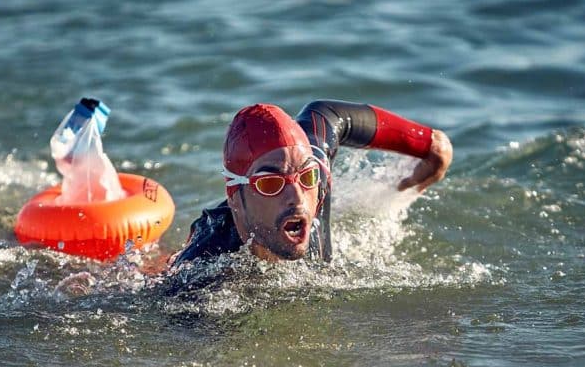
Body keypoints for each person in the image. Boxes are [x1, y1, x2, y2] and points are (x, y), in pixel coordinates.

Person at [171, 100, 452, 265]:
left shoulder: (316, 167)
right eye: (271, 183)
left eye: (306, 177)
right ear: (234, 195)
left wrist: (430, 153)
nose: (298, 197)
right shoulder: (206, 260)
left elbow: (324, 113)